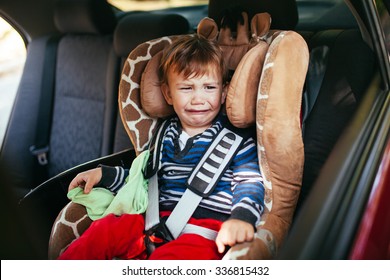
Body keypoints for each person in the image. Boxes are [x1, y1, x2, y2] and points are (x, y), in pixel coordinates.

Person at [58, 34, 265, 260]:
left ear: (224, 92)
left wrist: (241, 218)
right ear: (167, 93)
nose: (198, 99)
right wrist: (104, 175)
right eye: (186, 88)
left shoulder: (237, 141)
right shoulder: (164, 134)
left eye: (209, 87)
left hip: (205, 233)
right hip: (153, 224)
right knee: (107, 229)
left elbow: (249, 183)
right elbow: (143, 179)